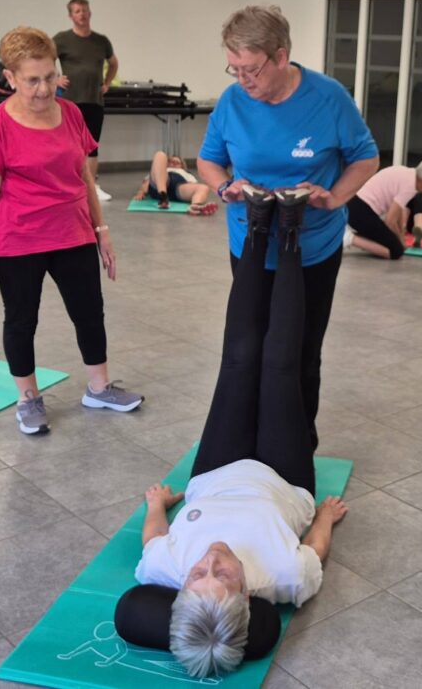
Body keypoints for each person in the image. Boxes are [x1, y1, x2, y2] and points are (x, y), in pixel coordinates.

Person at [134, 187, 348, 679]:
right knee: (277, 364)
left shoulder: (162, 571)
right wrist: (327, 520)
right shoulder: (285, 577)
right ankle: (288, 229)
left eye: (198, 576)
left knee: (238, 360)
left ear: (180, 591)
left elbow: (153, 542)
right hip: (284, 479)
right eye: (222, 575)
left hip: (215, 472)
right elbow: (313, 551)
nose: (209, 561)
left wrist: (155, 504)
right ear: (247, 594)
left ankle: (256, 228)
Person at [196, 5, 378, 449]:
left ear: (281, 57)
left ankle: (297, 446)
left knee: (298, 353)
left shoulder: (328, 98)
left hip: (313, 249)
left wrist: (333, 198)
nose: (243, 80)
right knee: (249, 349)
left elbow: (365, 157)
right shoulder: (232, 100)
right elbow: (208, 160)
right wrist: (224, 189)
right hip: (250, 245)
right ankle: (248, 441)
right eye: (234, 68)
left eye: (251, 69)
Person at [0, 26, 142, 436]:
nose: (44, 89)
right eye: (32, 80)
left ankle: (98, 387)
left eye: (49, 76)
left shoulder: (72, 113)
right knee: (22, 319)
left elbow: (83, 176)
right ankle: (27, 398)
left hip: (72, 231)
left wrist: (102, 228)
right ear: (10, 78)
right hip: (17, 239)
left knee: (89, 312)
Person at [54, 0, 118, 202]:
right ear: (71, 16)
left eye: (84, 10)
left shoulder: (101, 41)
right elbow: (46, 59)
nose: (82, 14)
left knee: (92, 145)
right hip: (71, 100)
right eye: (77, 11)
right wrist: (55, 78)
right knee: (69, 143)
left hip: (94, 99)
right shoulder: (62, 39)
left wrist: (106, 82)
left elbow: (114, 63)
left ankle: (92, 186)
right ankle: (67, 184)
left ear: (90, 13)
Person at [346, 158, 422, 259]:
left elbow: (399, 211)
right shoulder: (410, 186)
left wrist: (401, 236)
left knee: (387, 239)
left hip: (355, 205)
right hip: (361, 213)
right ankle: (349, 238)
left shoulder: (407, 173)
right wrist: (400, 242)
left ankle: (353, 236)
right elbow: (390, 221)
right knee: (396, 251)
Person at [132, 150, 217, 215]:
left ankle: (195, 206)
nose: (173, 164)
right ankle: (163, 196)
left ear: (182, 166)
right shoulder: (160, 169)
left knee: (204, 187)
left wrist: (195, 193)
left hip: (178, 187)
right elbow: (147, 182)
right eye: (170, 161)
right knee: (160, 154)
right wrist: (141, 192)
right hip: (160, 183)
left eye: (176, 163)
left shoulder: (186, 173)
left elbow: (193, 185)